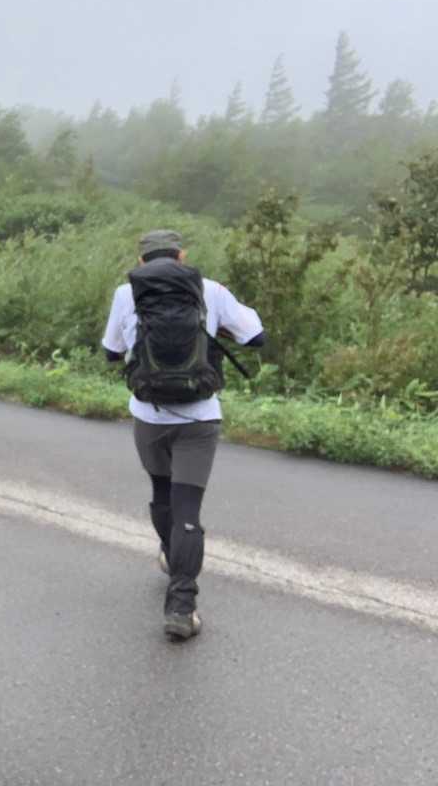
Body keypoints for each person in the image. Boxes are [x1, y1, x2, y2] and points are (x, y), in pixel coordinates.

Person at [101, 229, 264, 640]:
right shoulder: (211, 290)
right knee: (187, 510)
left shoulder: (126, 293)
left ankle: (171, 555)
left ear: (141, 260)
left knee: (162, 492)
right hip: (200, 419)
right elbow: (256, 337)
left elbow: (111, 353)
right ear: (182, 255)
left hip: (149, 417)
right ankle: (181, 606)